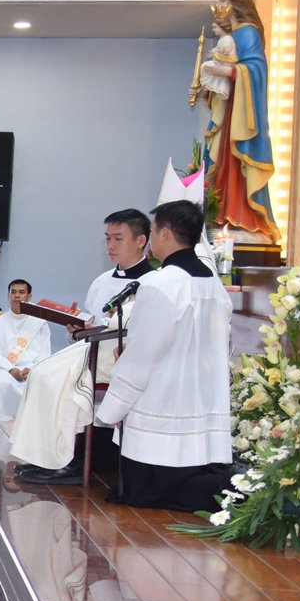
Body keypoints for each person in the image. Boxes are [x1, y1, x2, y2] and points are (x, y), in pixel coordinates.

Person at [95, 201, 233, 511]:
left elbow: (143, 353)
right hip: (200, 401)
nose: (152, 239)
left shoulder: (161, 284)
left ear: (166, 233)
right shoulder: (213, 284)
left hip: (164, 400)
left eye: (154, 230)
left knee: (149, 489)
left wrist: (114, 406)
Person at [12, 209, 158, 484]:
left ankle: (69, 459)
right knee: (41, 374)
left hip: (123, 357)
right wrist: (76, 328)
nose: (110, 245)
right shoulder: (102, 281)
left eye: (118, 238)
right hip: (94, 350)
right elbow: (91, 323)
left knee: (55, 378)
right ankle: (49, 456)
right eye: (107, 238)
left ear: (141, 241)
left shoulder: (154, 282)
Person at [191, 0, 281, 244]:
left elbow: (256, 70)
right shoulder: (229, 36)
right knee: (220, 163)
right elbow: (222, 82)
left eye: (223, 0)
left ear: (236, 3)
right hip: (227, 113)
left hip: (243, 116)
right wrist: (206, 89)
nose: (220, 6)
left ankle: (246, 220)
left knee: (238, 164)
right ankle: (221, 218)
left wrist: (226, 71)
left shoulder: (248, 32)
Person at [0, 279, 51, 456]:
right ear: (8, 296)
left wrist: (30, 369)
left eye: (21, 292)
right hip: (6, 370)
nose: (17, 296)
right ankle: (1, 444)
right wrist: (11, 369)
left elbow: (44, 355)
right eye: (13, 292)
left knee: (38, 384)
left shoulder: (39, 323)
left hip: (31, 371)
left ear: (29, 296)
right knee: (1, 383)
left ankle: (30, 446)